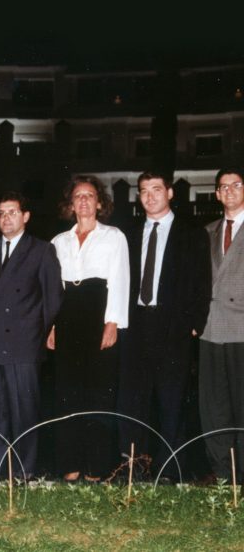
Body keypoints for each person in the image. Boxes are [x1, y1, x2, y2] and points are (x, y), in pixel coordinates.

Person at [117, 171, 211, 481]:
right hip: (136, 325)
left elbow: (202, 280)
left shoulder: (191, 233)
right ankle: (135, 467)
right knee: (134, 400)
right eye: (143, 190)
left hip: (174, 326)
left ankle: (170, 471)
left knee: (172, 401)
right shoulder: (128, 234)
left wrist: (195, 323)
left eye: (157, 189)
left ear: (170, 193)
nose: (150, 196)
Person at [0, 192, 62, 483]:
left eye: (12, 212)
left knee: (23, 411)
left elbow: (53, 299)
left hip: (24, 344)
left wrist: (36, 332)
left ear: (26, 216)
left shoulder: (41, 250)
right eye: (1, 213)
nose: (5, 218)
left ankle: (24, 471)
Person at [48, 175, 129, 482]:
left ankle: (96, 469)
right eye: (78, 196)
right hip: (67, 318)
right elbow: (53, 289)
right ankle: (70, 467)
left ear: (99, 202)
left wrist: (112, 323)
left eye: (89, 195)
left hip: (98, 315)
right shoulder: (58, 241)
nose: (83, 201)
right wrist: (51, 326)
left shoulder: (114, 236)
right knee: (67, 395)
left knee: (98, 394)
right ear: (71, 204)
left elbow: (120, 281)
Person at [199, 166, 244, 483]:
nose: (229, 191)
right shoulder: (208, 231)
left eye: (236, 185)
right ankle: (223, 473)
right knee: (214, 406)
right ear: (216, 194)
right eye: (223, 187)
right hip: (210, 330)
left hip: (242, 329)